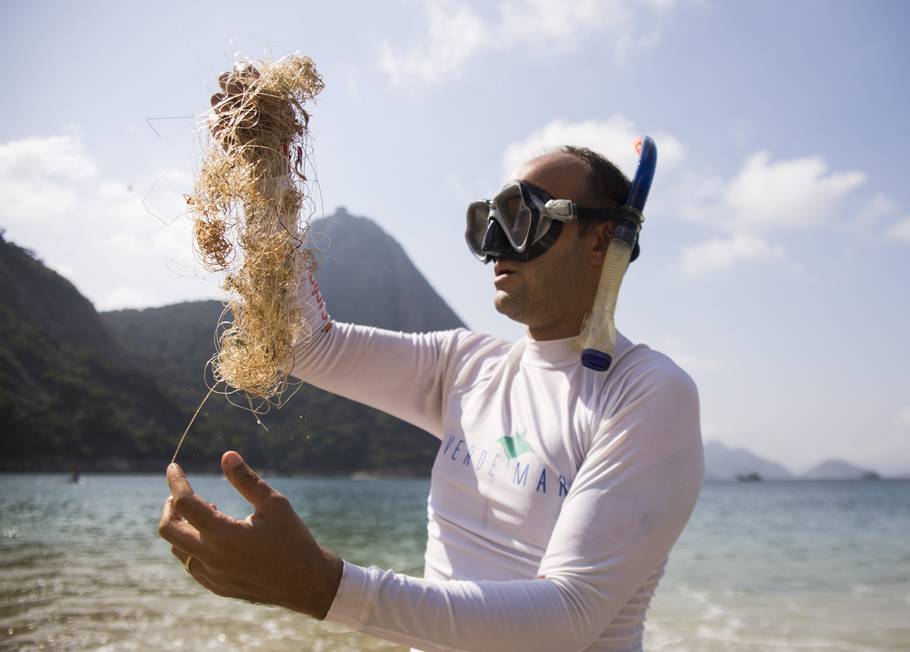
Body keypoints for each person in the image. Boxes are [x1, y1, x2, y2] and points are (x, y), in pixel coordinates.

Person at [158, 72, 703, 652]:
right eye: (486, 221)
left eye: (521, 218)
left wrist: (320, 587)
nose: (495, 244)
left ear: (602, 242)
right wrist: (267, 176)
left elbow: (568, 615)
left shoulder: (647, 393)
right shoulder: (467, 367)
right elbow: (304, 343)